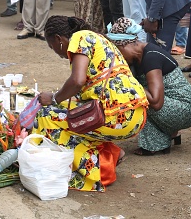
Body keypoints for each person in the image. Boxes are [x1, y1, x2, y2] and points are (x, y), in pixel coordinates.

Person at [35, 16, 149, 192]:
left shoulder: (79, 38)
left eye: (52, 46)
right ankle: (113, 153)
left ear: (59, 39)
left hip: (118, 116)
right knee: (67, 111)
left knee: (46, 117)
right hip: (135, 113)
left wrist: (55, 98)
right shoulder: (99, 38)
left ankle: (91, 175)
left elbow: (78, 80)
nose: (56, 53)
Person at [108, 17, 191, 155]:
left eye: (119, 52)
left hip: (185, 109)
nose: (119, 58)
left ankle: (158, 142)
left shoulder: (151, 57)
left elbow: (156, 102)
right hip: (173, 105)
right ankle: (165, 135)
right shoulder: (138, 56)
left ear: (126, 45)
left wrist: (128, 82)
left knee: (135, 97)